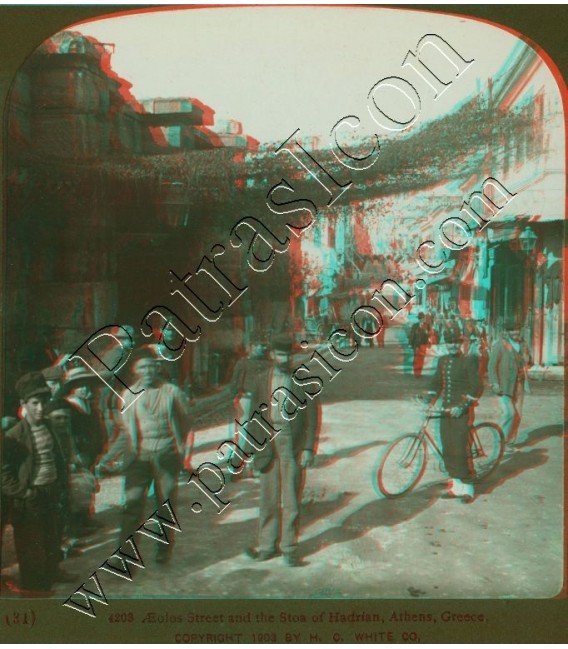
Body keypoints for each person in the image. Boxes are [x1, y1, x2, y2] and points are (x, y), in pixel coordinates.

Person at [245, 336, 320, 567]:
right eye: (280, 354)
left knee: (291, 496)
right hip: (267, 441)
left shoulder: (304, 380)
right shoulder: (260, 380)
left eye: (288, 355)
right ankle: (267, 546)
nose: (284, 358)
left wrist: (308, 448)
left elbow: (313, 417)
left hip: (291, 441)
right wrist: (249, 451)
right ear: (272, 356)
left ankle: (289, 548)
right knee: (268, 497)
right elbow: (252, 417)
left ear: (292, 356)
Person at [1, 372, 76, 595]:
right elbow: (3, 474)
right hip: (29, 497)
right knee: (31, 544)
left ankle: (53, 571)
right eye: (35, 403)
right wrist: (24, 492)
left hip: (50, 490)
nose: (40, 408)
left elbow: (57, 458)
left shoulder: (49, 427)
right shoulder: (14, 435)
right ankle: (35, 588)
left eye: (44, 402)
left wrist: (63, 486)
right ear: (24, 404)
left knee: (52, 535)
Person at [117, 348, 192, 563]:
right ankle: (125, 556)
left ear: (157, 367)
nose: (148, 371)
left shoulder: (171, 391)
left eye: (151, 366)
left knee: (165, 504)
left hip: (166, 454)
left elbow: (186, 420)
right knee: (133, 504)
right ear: (135, 370)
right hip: (139, 457)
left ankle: (163, 551)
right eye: (142, 367)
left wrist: (177, 446)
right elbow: (127, 427)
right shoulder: (128, 395)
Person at [426, 332, 482, 502]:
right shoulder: (442, 361)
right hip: (445, 410)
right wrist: (429, 401)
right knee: (447, 446)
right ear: (445, 343)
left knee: (459, 447)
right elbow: (436, 383)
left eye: (454, 343)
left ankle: (468, 488)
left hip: (461, 410)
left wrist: (463, 406)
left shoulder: (469, 360)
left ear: (459, 344)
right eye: (448, 343)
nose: (451, 346)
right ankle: (456, 488)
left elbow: (476, 387)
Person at [488, 321, 530, 446]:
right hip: (504, 385)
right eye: (512, 330)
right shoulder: (500, 345)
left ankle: (510, 442)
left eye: (517, 330)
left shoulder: (523, 344)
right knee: (508, 413)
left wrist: (526, 362)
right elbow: (491, 366)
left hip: (519, 384)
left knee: (517, 415)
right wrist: (494, 383)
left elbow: (529, 360)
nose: (515, 332)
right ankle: (499, 440)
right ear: (507, 332)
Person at [409, 312, 431, 377]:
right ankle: (416, 372)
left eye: (422, 318)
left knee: (421, 359)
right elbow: (412, 335)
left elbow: (429, 335)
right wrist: (410, 344)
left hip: (423, 345)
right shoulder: (415, 326)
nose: (421, 319)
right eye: (420, 318)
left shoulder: (427, 326)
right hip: (415, 345)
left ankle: (419, 372)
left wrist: (428, 342)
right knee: (416, 358)